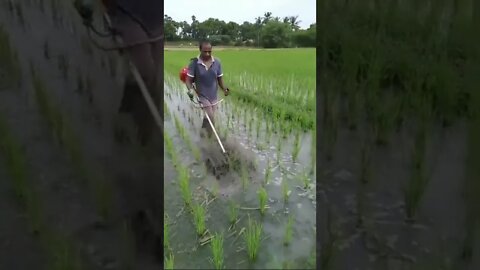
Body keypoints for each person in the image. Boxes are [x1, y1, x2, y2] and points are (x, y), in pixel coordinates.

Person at [73, 0, 163, 146]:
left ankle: (139, 125)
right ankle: (134, 125)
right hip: (125, 13)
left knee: (154, 79)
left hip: (156, 16)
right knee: (145, 70)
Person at [185, 40, 230, 137]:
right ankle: (212, 138)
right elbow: (188, 80)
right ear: (200, 50)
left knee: (208, 117)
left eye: (209, 51)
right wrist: (190, 90)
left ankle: (202, 133)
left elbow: (219, 78)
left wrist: (224, 89)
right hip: (202, 95)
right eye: (205, 51)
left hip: (213, 95)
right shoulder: (194, 63)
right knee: (210, 115)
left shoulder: (217, 62)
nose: (207, 53)